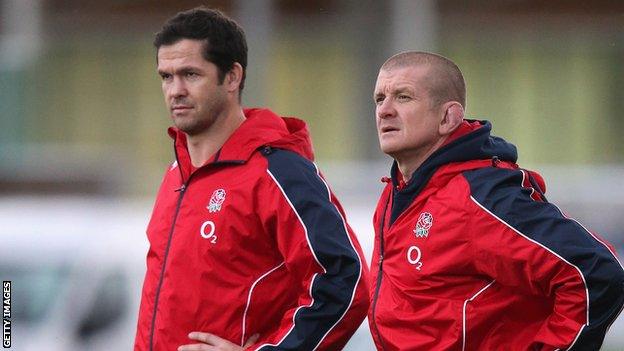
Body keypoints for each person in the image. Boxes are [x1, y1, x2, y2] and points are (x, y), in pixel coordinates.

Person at [133, 7, 370, 351]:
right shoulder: (176, 173)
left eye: (190, 74)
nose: (175, 90)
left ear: (232, 77)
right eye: (166, 77)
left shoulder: (278, 171)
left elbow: (345, 281)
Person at [368, 51, 624, 350]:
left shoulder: (481, 196)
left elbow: (596, 273)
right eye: (379, 98)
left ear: (448, 117)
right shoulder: (396, 192)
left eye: (403, 97)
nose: (384, 110)